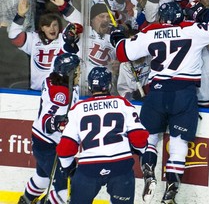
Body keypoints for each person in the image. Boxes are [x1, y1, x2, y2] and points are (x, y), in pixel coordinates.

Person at [111, 1, 209, 204]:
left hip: (157, 93)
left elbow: (122, 53)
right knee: (178, 144)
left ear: (162, 19)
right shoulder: (192, 29)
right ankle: (170, 192)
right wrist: (200, 10)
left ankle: (149, 173)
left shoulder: (150, 31)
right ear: (181, 17)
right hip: (184, 93)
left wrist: (118, 39)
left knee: (150, 138)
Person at [56, 66, 149, 204]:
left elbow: (65, 149)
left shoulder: (78, 108)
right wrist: (140, 150)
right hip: (120, 167)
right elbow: (139, 138)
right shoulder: (122, 103)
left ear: (89, 86)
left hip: (89, 169)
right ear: (110, 85)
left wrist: (68, 169)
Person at [18, 53, 81, 204]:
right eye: (77, 70)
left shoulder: (55, 80)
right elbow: (48, 119)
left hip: (41, 140)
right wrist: (57, 122)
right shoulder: (61, 93)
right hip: (48, 143)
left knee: (42, 179)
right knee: (63, 193)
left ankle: (24, 201)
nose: (79, 72)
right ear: (69, 73)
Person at [8, 0, 82, 91]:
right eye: (47, 26)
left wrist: (63, 5)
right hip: (35, 93)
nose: (52, 29)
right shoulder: (33, 39)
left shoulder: (64, 39)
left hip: (59, 91)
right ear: (42, 28)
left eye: (55, 25)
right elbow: (14, 36)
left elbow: (79, 23)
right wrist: (20, 16)